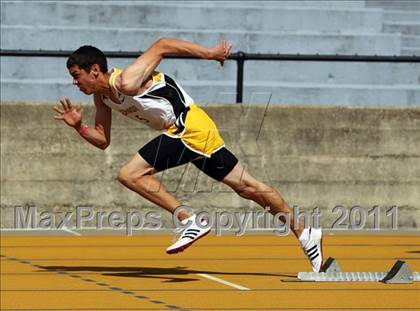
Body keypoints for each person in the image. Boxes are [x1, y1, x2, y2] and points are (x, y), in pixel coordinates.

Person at [53, 37, 324, 272]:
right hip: (190, 133)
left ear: (95, 69)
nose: (74, 82)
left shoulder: (125, 81)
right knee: (247, 187)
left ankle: (190, 220)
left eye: (77, 75)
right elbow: (102, 140)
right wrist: (80, 126)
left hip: (188, 127)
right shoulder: (103, 98)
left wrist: (210, 53)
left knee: (129, 174)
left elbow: (162, 45)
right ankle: (306, 233)